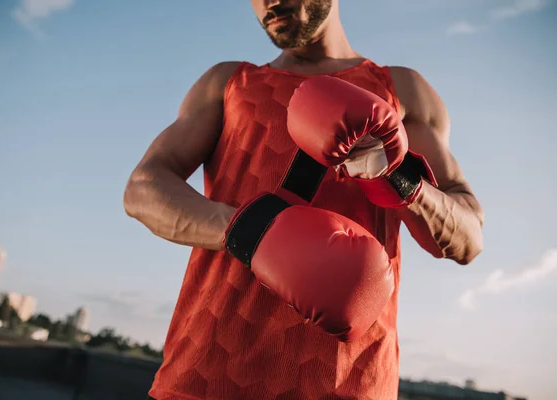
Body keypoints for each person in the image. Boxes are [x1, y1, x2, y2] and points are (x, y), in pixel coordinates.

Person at [124, 0, 485, 398]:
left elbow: (469, 238)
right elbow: (143, 188)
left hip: (350, 382)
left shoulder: (402, 90)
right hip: (206, 374)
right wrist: (256, 232)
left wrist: (396, 175)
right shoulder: (229, 83)